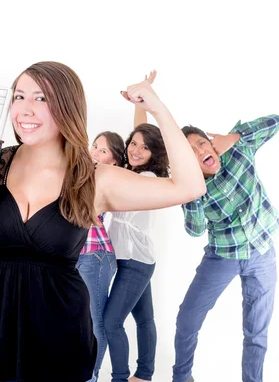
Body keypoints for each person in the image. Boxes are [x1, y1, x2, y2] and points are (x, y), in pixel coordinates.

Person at [0, 61, 206, 381]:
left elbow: (189, 186)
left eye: (41, 98)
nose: (25, 109)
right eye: (19, 96)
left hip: (61, 353)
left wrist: (158, 108)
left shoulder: (94, 179)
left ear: (67, 106)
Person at [172, 114, 279, 382]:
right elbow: (195, 230)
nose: (201, 152)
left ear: (212, 143)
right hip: (223, 256)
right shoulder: (194, 186)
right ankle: (182, 377)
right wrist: (191, 188)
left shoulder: (237, 151)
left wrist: (233, 138)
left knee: (256, 331)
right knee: (187, 320)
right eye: (191, 153)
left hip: (262, 251)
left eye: (201, 144)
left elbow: (275, 122)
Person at [104, 71, 169, 382]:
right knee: (144, 320)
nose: (135, 150)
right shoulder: (133, 172)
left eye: (144, 148)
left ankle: (122, 377)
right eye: (133, 144)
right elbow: (137, 133)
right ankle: (144, 375)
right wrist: (139, 101)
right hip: (137, 260)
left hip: (135, 263)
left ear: (155, 154)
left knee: (110, 322)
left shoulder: (147, 179)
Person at [76, 130, 125, 380]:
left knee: (95, 322)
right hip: (78, 256)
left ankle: (91, 376)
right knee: (77, 320)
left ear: (114, 161)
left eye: (102, 150)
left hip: (95, 255)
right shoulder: (83, 173)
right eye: (94, 146)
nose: (94, 152)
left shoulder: (103, 178)